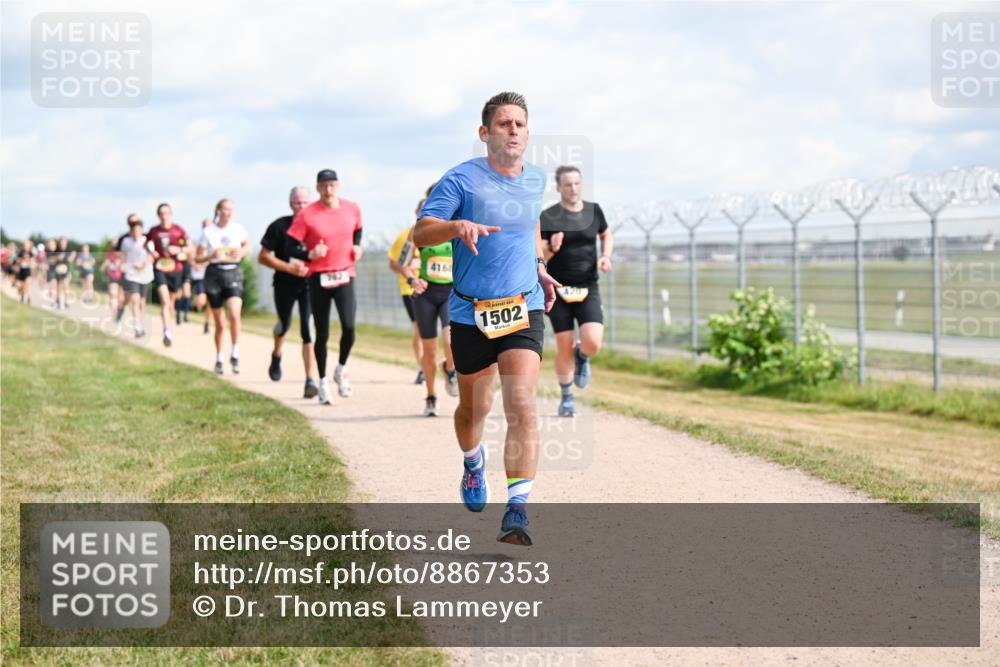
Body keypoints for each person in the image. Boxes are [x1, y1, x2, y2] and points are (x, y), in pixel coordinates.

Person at [413, 92, 560, 546]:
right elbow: (422, 232)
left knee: (522, 404)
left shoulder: (535, 180)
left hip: (523, 305)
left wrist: (539, 266)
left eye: (519, 123)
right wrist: (456, 227)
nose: (513, 130)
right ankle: (473, 461)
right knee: (475, 407)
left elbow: (528, 227)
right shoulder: (461, 179)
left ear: (528, 133)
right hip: (470, 310)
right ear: (485, 133)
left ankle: (517, 510)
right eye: (503, 124)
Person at [540, 166, 614, 417]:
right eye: (567, 184)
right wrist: (552, 245)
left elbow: (606, 234)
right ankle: (567, 396)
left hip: (587, 286)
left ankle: (582, 356)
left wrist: (605, 256)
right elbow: (539, 255)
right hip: (558, 288)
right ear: (558, 187)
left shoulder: (594, 211)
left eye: (577, 183)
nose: (573, 188)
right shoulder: (549, 216)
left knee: (592, 341)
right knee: (563, 343)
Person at [287, 169, 363, 405]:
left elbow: (357, 230)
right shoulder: (307, 214)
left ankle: (340, 369)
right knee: (322, 333)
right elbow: (290, 246)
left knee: (349, 327)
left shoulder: (352, 208)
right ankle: (321, 382)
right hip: (318, 277)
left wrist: (357, 247)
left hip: (345, 274)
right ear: (318, 188)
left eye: (332, 185)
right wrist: (309, 253)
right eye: (323, 186)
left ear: (338, 186)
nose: (328, 190)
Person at [259, 186, 319, 398]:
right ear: (290, 204)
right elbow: (263, 256)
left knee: (308, 329)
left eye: (304, 202)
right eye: (297, 202)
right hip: (284, 283)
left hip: (310, 284)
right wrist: (289, 267)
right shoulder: (279, 226)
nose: (301, 207)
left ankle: (310, 380)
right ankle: (276, 354)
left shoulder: (318, 225)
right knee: (284, 325)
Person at [405, 224, 459, 417]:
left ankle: (449, 368)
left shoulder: (457, 229)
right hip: (425, 295)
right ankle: (431, 395)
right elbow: (404, 264)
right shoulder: (418, 232)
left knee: (450, 340)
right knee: (430, 351)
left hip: (450, 294)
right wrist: (413, 280)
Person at [196, 198, 249, 375]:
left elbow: (246, 244)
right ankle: (219, 357)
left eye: (231, 210)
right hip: (214, 274)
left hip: (233, 271)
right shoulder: (208, 231)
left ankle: (235, 352)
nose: (228, 213)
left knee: (234, 314)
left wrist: (241, 251)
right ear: (218, 210)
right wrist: (211, 254)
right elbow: (198, 258)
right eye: (225, 209)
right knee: (219, 322)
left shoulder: (238, 228)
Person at [146, 203, 191, 347]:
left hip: (176, 269)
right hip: (160, 268)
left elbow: (189, 247)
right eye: (161, 213)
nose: (164, 216)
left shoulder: (178, 231)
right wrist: (151, 252)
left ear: (171, 214)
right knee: (165, 301)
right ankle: (166, 332)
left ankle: (169, 328)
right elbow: (146, 243)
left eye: (166, 213)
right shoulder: (154, 231)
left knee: (171, 303)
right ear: (158, 215)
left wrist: (178, 249)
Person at [388, 224, 425, 385]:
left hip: (435, 287)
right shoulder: (406, 236)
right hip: (410, 289)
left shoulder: (442, 234)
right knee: (419, 330)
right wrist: (409, 270)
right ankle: (423, 368)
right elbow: (394, 263)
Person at [120, 218, 154, 337]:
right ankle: (136, 327)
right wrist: (122, 264)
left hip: (145, 275)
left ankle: (141, 324)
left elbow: (152, 257)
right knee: (135, 299)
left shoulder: (147, 242)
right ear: (131, 231)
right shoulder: (126, 241)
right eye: (133, 230)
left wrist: (143, 264)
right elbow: (123, 255)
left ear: (141, 230)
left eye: (138, 230)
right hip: (131, 274)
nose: (136, 233)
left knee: (142, 302)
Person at [190, 219, 212, 334]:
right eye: (204, 225)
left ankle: (207, 323)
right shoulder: (198, 240)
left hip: (212, 274)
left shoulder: (215, 240)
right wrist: (195, 264)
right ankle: (196, 304)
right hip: (200, 275)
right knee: (202, 300)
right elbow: (192, 256)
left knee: (211, 302)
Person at [100, 247, 124, 319]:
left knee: (120, 298)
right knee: (113, 294)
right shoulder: (109, 259)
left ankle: (118, 310)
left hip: (121, 279)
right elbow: (102, 268)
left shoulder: (122, 259)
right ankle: (114, 312)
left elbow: (124, 268)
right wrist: (106, 266)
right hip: (112, 278)